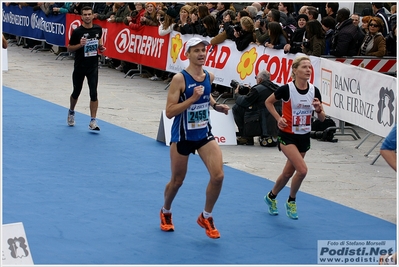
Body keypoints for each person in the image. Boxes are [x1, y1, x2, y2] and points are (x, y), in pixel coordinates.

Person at [160, 37, 230, 239]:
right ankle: (166, 211)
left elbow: (206, 95)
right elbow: (170, 111)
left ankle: (206, 216)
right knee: (177, 181)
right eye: (196, 50)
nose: (201, 54)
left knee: (218, 176)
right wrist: (191, 99)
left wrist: (216, 106)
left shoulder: (209, 75)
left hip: (203, 134)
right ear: (187, 54)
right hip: (182, 135)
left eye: (203, 50)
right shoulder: (179, 79)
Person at [264, 55, 326, 220]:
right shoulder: (286, 89)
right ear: (295, 70)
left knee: (287, 173)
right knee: (302, 170)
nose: (308, 70)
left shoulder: (314, 90)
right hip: (287, 136)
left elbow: (322, 118)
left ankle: (271, 197)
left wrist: (319, 109)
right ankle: (291, 200)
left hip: (303, 136)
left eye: (310, 67)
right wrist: (279, 119)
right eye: (304, 67)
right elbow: (268, 102)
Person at [67, 6, 106, 131]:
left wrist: (101, 47)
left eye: (89, 14)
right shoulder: (77, 31)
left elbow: (99, 40)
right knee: (76, 91)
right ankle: (71, 111)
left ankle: (93, 121)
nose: (88, 16)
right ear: (81, 17)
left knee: (93, 93)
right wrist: (80, 45)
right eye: (85, 14)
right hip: (80, 65)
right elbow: (69, 47)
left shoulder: (98, 29)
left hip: (93, 66)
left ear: (93, 15)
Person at [233, 70, 280, 146]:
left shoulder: (258, 89)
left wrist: (237, 94)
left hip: (263, 118)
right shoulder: (276, 87)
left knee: (237, 107)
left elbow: (243, 103)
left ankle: (245, 136)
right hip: (275, 121)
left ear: (260, 79)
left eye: (256, 78)